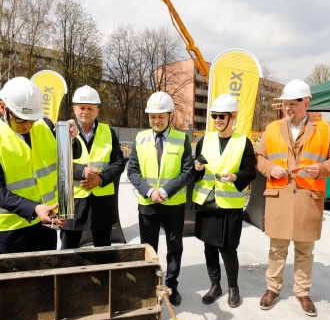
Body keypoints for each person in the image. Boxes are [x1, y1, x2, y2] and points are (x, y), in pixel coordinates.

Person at [256, 79, 330, 317]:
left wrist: (322, 169)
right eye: (285, 103)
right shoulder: (272, 128)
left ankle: (302, 292)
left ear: (306, 103)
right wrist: (269, 169)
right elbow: (258, 157)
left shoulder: (324, 129)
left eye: (292, 104)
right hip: (279, 197)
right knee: (277, 249)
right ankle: (272, 288)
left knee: (305, 250)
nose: (287, 108)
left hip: (308, 197)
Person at [0, 76, 80, 253]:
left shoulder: (45, 126)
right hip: (9, 231)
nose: (27, 125)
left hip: (45, 225)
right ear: (2, 108)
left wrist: (72, 139)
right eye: (21, 119)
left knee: (44, 277)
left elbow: (75, 155)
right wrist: (34, 208)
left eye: (32, 120)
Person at [127, 91, 193, 306]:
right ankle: (149, 285)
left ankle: (171, 286)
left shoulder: (181, 139)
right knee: (148, 248)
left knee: (174, 248)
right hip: (148, 204)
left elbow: (188, 171)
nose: (156, 120)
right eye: (153, 116)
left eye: (161, 116)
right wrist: (149, 191)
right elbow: (133, 171)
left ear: (170, 116)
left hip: (173, 204)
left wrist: (164, 191)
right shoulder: (140, 138)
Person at [193, 93, 256, 308]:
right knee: (209, 246)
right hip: (208, 201)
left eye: (222, 116)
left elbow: (250, 172)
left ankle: (232, 287)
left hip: (230, 204)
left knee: (228, 248)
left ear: (233, 117)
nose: (218, 120)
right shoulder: (205, 140)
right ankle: (215, 285)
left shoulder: (243, 142)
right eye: (215, 116)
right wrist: (197, 169)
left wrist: (236, 177)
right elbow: (196, 172)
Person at [60, 85, 126, 249]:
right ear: (74, 108)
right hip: (73, 202)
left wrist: (101, 178)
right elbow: (57, 163)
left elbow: (118, 163)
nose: (85, 111)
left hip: (101, 203)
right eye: (81, 107)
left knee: (103, 252)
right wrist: (82, 171)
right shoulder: (64, 131)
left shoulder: (108, 132)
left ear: (97, 110)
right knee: (68, 253)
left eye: (90, 108)